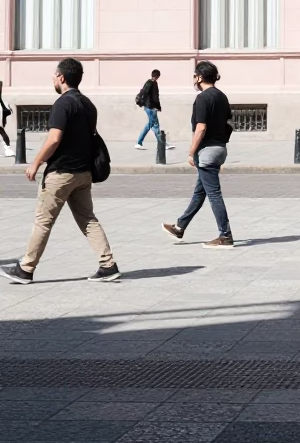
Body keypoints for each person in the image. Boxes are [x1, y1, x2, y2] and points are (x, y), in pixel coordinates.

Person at [0, 58, 120, 284]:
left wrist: (35, 162)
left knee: (43, 221)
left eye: (55, 75)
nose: (53, 79)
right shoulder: (88, 105)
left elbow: (54, 138)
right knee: (88, 219)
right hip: (83, 173)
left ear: (62, 78)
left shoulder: (63, 104)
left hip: (61, 174)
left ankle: (25, 269)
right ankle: (108, 265)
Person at [162, 61, 233, 248]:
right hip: (220, 149)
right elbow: (229, 123)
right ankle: (180, 226)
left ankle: (225, 236)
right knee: (200, 192)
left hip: (207, 151)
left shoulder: (203, 98)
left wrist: (191, 152)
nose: (194, 79)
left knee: (214, 194)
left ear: (200, 77)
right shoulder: (222, 96)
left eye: (195, 76)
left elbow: (201, 128)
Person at [135, 69, 174, 151]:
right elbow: (154, 97)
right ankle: (162, 144)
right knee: (154, 125)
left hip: (149, 107)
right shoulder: (152, 83)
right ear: (158, 76)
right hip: (151, 107)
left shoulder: (149, 82)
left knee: (151, 125)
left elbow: (148, 95)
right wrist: (157, 107)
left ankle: (139, 143)